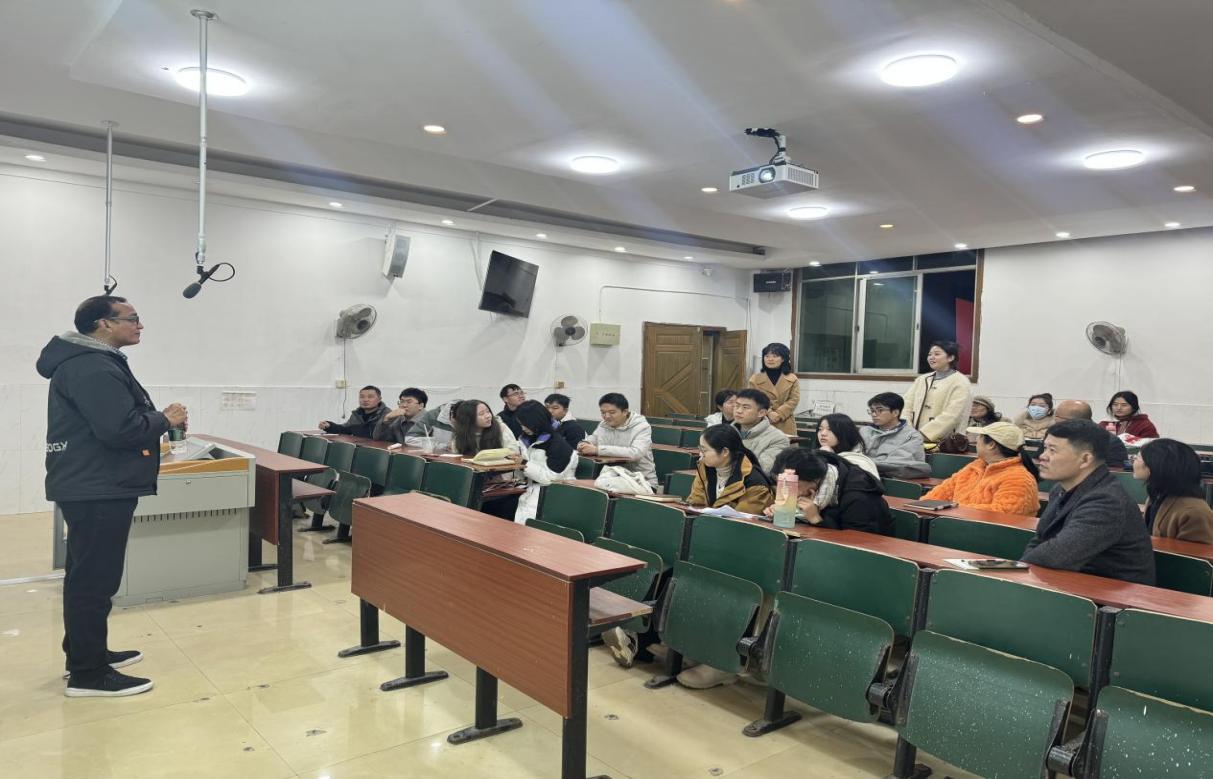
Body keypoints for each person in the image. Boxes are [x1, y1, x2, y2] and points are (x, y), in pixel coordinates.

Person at [38, 295, 189, 697]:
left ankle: (86, 653)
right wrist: (165, 419)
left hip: (94, 483)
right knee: (94, 580)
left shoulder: (91, 362)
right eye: (132, 318)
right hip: (99, 485)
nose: (140, 325)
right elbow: (120, 430)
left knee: (87, 575)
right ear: (104, 324)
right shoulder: (92, 366)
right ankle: (88, 674)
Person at [1021, 420, 1155, 585]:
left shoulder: (1107, 501)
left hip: (1110, 593)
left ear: (1085, 459)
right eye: (1045, 448)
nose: (1042, 456)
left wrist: (1022, 566)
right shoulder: (1060, 488)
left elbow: (1057, 555)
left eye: (1052, 450)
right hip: (1071, 581)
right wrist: (1024, 564)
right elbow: (1040, 538)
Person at [923, 421, 1040, 516]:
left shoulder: (1019, 478)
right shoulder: (975, 467)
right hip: (959, 525)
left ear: (991, 445)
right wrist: (923, 505)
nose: (976, 440)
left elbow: (1003, 514)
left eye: (980, 436)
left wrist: (952, 508)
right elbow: (942, 491)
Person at [764, 447, 892, 534]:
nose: (785, 490)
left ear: (813, 480)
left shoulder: (858, 496)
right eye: (781, 483)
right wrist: (784, 513)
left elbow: (856, 543)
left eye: (790, 484)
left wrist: (816, 519)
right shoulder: (813, 487)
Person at [1133, 438, 1213, 544]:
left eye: (1138, 457)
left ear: (1155, 466)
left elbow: (1197, 553)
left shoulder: (1194, 513)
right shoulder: (1157, 496)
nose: (1133, 460)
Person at [512, 401, 579, 522]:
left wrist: (524, 464)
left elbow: (549, 479)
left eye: (526, 424)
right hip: (529, 491)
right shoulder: (526, 439)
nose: (523, 428)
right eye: (521, 424)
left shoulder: (560, 446)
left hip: (553, 496)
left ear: (538, 421)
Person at [687, 424, 774, 515]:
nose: (700, 454)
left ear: (725, 452)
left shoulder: (754, 483)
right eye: (700, 449)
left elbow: (740, 520)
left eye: (704, 450)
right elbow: (696, 503)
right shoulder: (704, 468)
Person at [576, 393, 657, 488]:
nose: (606, 416)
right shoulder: (604, 425)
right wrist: (583, 444)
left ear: (625, 412)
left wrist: (597, 450)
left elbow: (636, 453)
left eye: (612, 412)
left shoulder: (641, 427)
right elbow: (593, 438)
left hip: (641, 482)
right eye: (603, 412)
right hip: (611, 479)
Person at [902, 340, 972, 444]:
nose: (931, 357)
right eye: (929, 354)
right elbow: (906, 406)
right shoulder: (922, 379)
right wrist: (908, 431)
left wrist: (924, 434)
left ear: (950, 358)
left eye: (937, 354)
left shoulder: (960, 382)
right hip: (913, 439)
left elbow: (953, 415)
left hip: (946, 442)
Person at [859, 393, 931, 479]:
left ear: (895, 413)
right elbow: (854, 454)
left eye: (880, 410)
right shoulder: (865, 431)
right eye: (872, 411)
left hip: (893, 479)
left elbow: (897, 464)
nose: (874, 414)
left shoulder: (912, 436)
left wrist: (864, 462)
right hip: (863, 475)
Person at [730, 389, 791, 474]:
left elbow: (762, 470)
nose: (739, 411)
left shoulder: (778, 439)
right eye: (737, 406)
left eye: (745, 407)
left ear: (761, 413)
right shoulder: (725, 432)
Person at [1054, 399, 1128, 468]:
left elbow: (1117, 472)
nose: (1055, 419)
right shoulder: (1056, 436)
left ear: (1069, 421)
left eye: (1057, 416)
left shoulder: (1108, 441)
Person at [747, 343, 800, 436]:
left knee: (785, 444)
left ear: (783, 359)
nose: (770, 359)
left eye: (775, 356)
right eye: (767, 356)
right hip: (762, 421)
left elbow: (794, 400)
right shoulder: (755, 379)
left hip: (785, 422)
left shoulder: (792, 378)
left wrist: (779, 413)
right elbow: (752, 399)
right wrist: (769, 412)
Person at [815, 413, 879, 481]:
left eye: (830, 429)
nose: (823, 433)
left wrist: (831, 458)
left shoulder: (858, 462)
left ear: (845, 432)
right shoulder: (815, 454)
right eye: (820, 429)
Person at [450, 399, 519, 457]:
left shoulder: (501, 429)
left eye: (488, 412)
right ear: (469, 419)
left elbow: (513, 453)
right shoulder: (461, 435)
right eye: (481, 414)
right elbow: (457, 457)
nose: (488, 416)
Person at [319, 386, 389, 438]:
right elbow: (345, 429)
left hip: (381, 450)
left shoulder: (387, 415)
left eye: (370, 397)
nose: (365, 400)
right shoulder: (357, 414)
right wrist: (329, 426)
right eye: (362, 397)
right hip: (359, 448)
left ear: (379, 399)